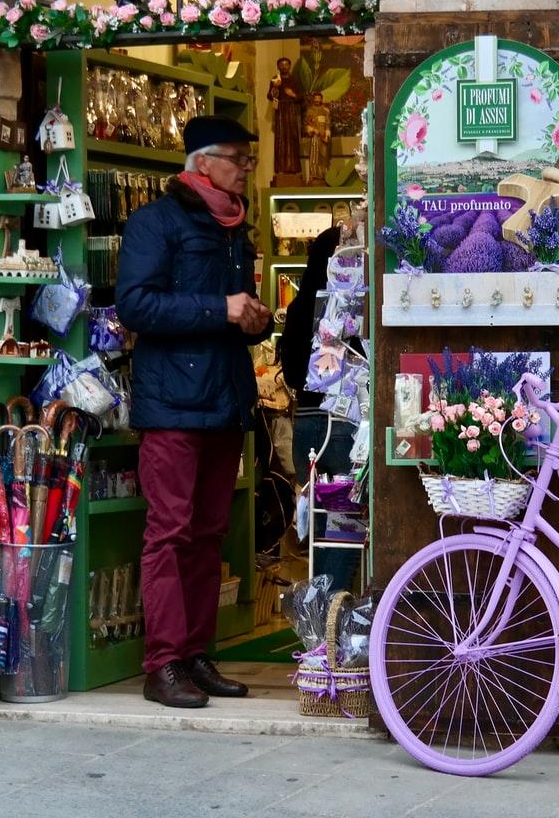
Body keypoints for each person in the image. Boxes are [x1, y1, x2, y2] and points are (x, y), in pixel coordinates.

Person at [117, 115, 272, 709]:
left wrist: (256, 319)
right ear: (202, 162)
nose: (246, 168)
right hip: (173, 404)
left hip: (225, 398)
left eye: (247, 159)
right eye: (238, 157)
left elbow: (236, 312)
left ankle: (197, 654)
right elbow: (136, 305)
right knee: (171, 533)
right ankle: (162, 665)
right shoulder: (155, 222)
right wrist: (221, 308)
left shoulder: (236, 228)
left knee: (209, 535)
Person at [275, 225, 359, 594]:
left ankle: (318, 619)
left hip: (307, 427)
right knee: (343, 526)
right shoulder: (352, 308)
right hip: (341, 427)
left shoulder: (299, 307)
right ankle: (330, 624)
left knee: (321, 530)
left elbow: (292, 373)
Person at [267, 56, 304, 186]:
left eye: (286, 64)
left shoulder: (294, 80)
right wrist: (275, 88)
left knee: (292, 138)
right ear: (278, 67)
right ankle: (281, 168)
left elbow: (301, 97)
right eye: (281, 64)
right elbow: (270, 96)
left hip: (291, 111)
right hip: (281, 111)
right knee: (281, 139)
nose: (284, 66)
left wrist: (292, 94)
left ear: (289, 66)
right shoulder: (275, 79)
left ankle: (293, 168)